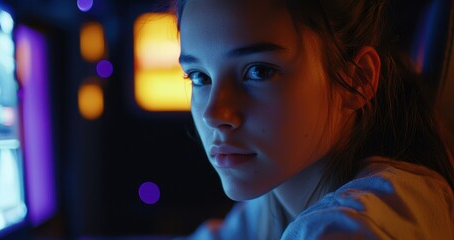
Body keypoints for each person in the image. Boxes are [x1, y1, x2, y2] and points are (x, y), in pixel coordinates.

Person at [173, 0, 454, 239]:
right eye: (199, 76)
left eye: (259, 71)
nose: (213, 114)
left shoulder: (345, 228)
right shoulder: (274, 204)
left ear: (356, 78)